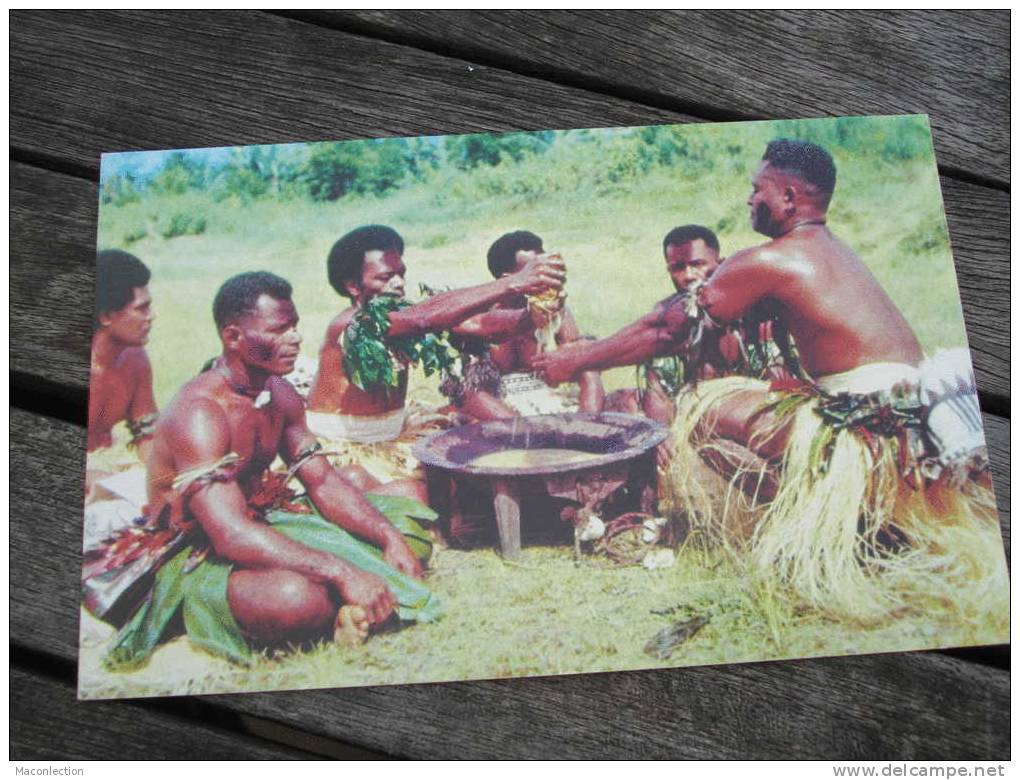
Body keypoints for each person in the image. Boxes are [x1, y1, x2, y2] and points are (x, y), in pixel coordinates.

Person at [535, 140, 1001, 619]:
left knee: (704, 404)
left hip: (873, 436)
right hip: (906, 426)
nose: (749, 199)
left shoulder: (773, 259)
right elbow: (668, 315)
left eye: (757, 189)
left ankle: (846, 527)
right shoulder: (834, 251)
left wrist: (577, 360)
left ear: (789, 197)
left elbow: (666, 328)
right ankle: (855, 520)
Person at [82, 271, 441, 669]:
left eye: (295, 325)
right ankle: (329, 608)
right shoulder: (200, 413)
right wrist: (341, 570)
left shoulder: (280, 393)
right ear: (234, 338)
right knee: (295, 598)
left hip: (263, 520)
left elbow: (320, 479)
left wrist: (388, 537)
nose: (296, 338)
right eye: (279, 329)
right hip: (197, 551)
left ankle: (347, 605)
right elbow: (230, 534)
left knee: (408, 518)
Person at [306, 225, 566, 444]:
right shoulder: (352, 323)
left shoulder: (405, 314)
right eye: (385, 277)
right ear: (352, 286)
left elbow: (481, 324)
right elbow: (423, 319)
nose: (398, 283)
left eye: (400, 274)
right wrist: (512, 283)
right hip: (343, 444)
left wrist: (533, 315)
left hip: (392, 433)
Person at [442, 230, 604, 420]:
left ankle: (588, 427)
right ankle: (526, 435)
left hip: (547, 394)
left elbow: (580, 363)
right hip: (499, 406)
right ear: (507, 279)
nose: (545, 278)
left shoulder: (556, 311)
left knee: (587, 359)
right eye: (536, 271)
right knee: (464, 390)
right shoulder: (481, 314)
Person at [88, 250, 158, 456]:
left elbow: (148, 435)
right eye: (142, 308)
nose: (153, 316)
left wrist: (161, 480)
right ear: (107, 316)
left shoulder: (135, 360)